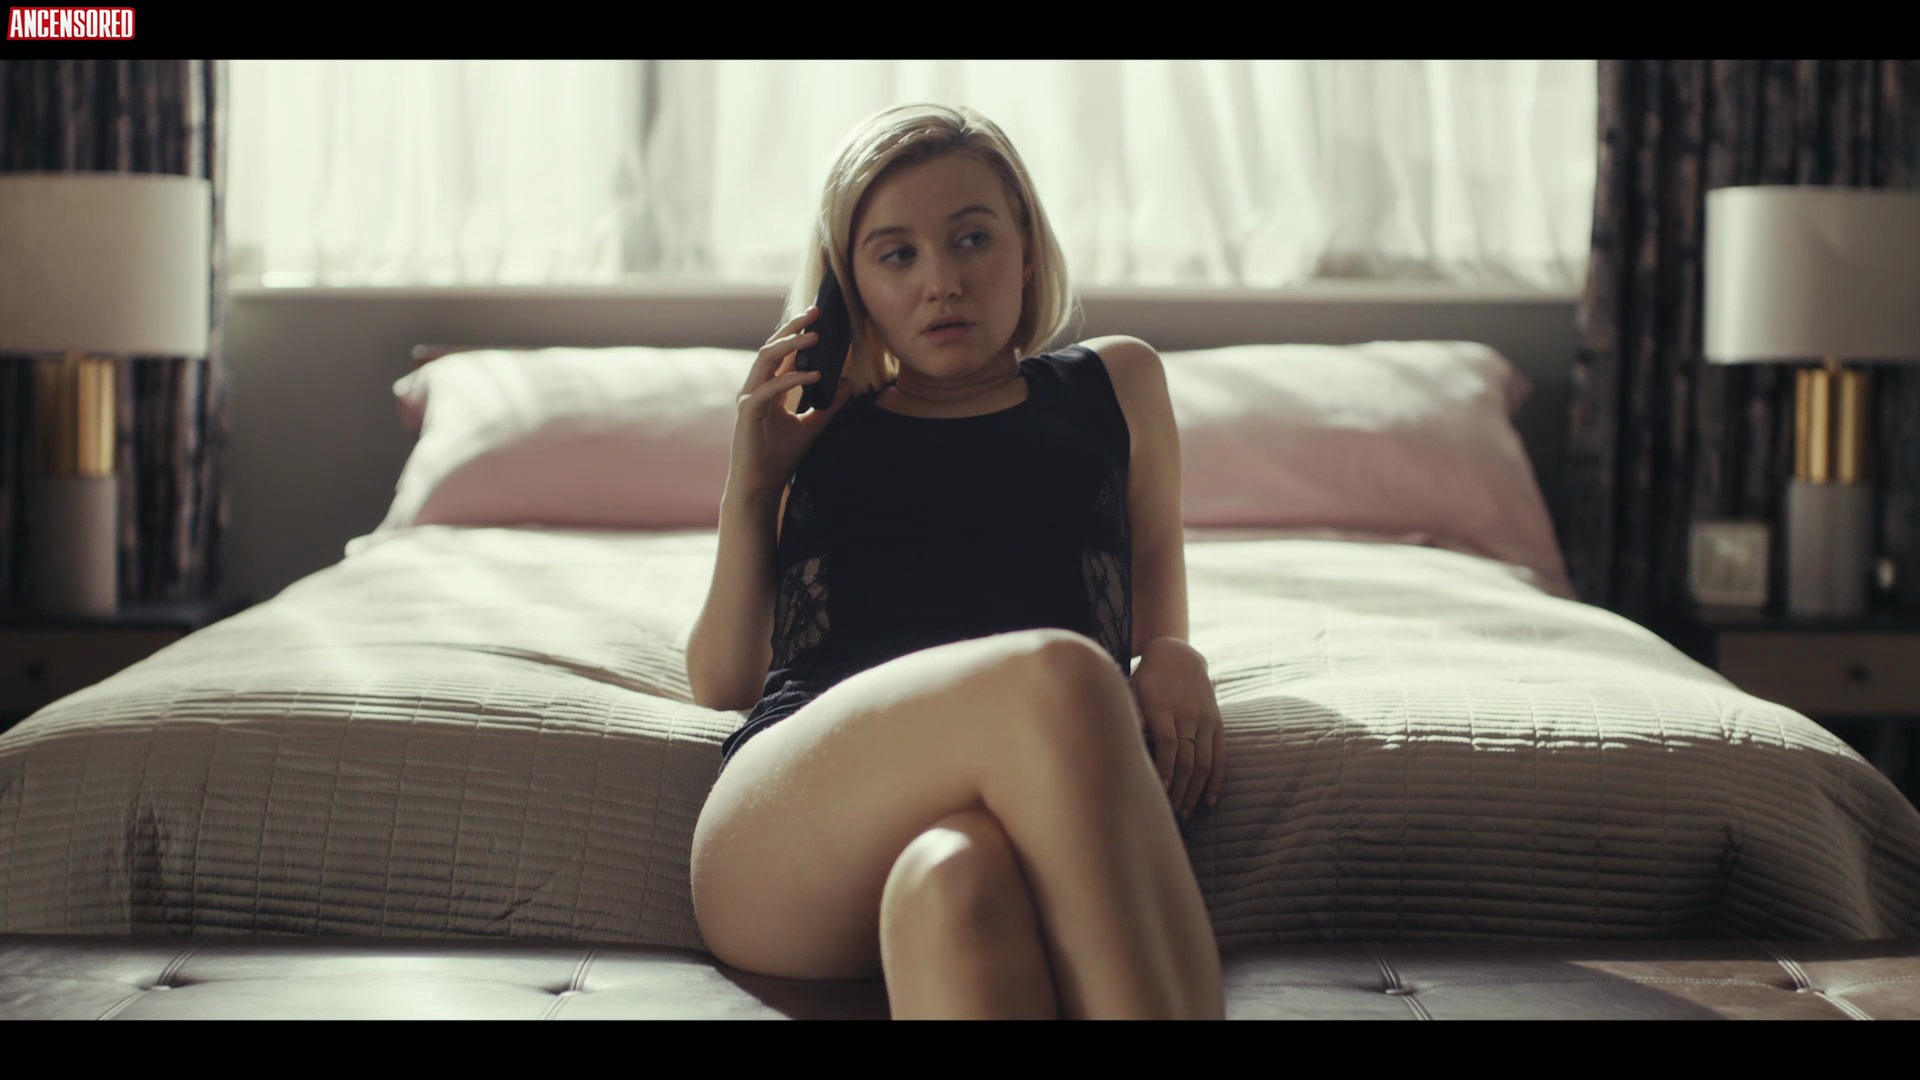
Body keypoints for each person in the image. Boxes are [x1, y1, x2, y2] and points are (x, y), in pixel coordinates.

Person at [685, 103, 1224, 1020]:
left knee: (957, 886)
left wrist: (1175, 652)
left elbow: (1152, 604)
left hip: (989, 843)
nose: (942, 282)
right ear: (849, 288)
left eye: (972, 239)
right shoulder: (814, 430)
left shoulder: (1118, 384)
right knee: (1060, 671)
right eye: (896, 255)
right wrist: (752, 484)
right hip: (790, 834)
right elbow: (723, 679)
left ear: (1026, 250)